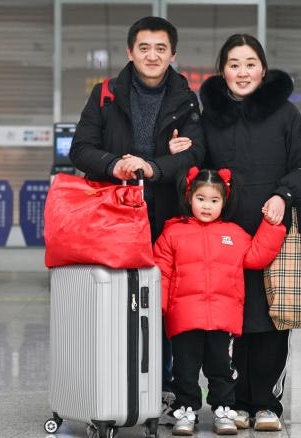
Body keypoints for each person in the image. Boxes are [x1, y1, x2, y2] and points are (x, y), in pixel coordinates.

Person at [70, 16, 205, 405]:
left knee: (162, 298)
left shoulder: (186, 98)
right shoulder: (105, 94)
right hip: (113, 214)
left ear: (172, 55)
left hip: (166, 212)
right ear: (130, 52)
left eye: (161, 48)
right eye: (144, 47)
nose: (152, 55)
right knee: (113, 297)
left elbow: (197, 152)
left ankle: (161, 386)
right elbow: (80, 148)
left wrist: (155, 167)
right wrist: (115, 164)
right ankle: (110, 380)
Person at [197, 34, 301, 431]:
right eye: (234, 64)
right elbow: (199, 171)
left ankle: (265, 402)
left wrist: (284, 195)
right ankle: (233, 401)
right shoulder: (208, 116)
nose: (242, 71)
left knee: (271, 318)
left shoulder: (284, 114)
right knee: (233, 318)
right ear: (222, 70)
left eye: (250, 63)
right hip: (225, 236)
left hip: (274, 231)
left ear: (263, 70)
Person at [153, 168, 285, 437]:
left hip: (222, 318)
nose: (207, 206)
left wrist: (272, 226)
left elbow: (256, 257)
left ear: (224, 202)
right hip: (184, 317)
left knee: (221, 368)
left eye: (214, 200)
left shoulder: (234, 234)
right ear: (189, 197)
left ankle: (223, 409)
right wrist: (159, 308)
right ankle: (186, 409)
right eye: (201, 198)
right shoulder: (173, 233)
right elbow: (162, 272)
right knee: (184, 368)